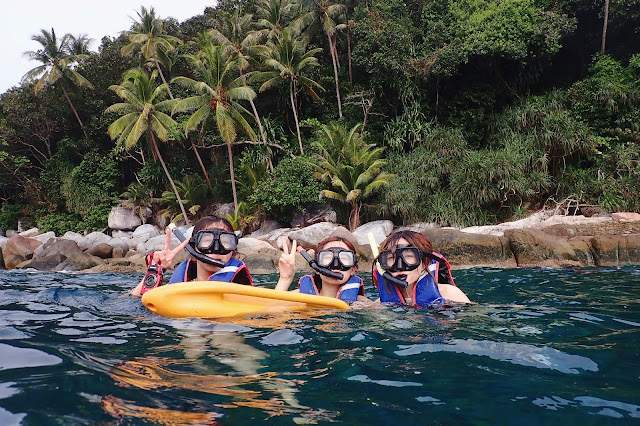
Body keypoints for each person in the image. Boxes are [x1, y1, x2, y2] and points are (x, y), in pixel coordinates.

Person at [131, 215, 253, 296]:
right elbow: (133, 302)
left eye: (226, 242)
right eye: (207, 240)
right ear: (194, 246)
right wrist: (155, 270)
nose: (216, 249)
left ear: (233, 249)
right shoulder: (178, 286)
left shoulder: (240, 290)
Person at [373, 230, 470, 307]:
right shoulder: (380, 304)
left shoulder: (449, 294)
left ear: (424, 263)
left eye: (409, 256)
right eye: (391, 258)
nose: (400, 266)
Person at [275, 235, 368, 303]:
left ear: (353, 269)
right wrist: (285, 279)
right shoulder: (299, 297)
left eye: (344, 258)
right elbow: (270, 312)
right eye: (327, 257)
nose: (336, 264)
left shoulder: (361, 303)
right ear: (316, 268)